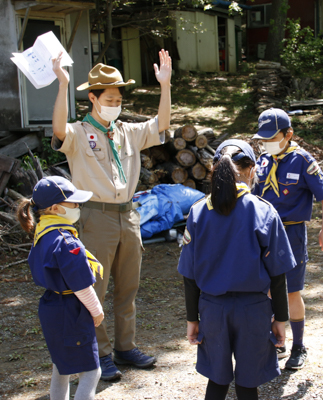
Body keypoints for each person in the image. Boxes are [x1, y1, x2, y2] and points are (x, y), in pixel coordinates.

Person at [50, 50, 172, 380]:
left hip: (128, 216)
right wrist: (62, 85)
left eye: (119, 97)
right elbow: (58, 128)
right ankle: (100, 353)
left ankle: (125, 347)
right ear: (93, 98)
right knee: (94, 288)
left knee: (128, 288)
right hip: (94, 216)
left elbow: (161, 125)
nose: (116, 102)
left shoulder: (125, 131)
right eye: (110, 97)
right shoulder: (78, 132)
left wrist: (165, 85)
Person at [177, 139, 297, 400]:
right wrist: (280, 319)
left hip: (212, 309)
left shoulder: (198, 212)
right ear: (252, 170)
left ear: (214, 170)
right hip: (253, 311)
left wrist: (192, 320)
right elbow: (278, 275)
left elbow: (189, 275)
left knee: (217, 381)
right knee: (247, 384)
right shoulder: (263, 211)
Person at [252, 108, 323, 369]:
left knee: (291, 291)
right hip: (265, 232)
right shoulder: (264, 160)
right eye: (263, 139)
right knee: (265, 289)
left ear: (288, 134)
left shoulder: (302, 160)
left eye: (272, 137)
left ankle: (299, 345)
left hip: (291, 232)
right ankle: (277, 341)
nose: (267, 143)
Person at [16, 176, 104, 400]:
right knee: (93, 371)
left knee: (61, 365)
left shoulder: (43, 233)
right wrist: (96, 310)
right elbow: (80, 284)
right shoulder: (67, 242)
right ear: (55, 208)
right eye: (73, 203)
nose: (78, 207)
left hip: (51, 306)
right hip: (70, 310)